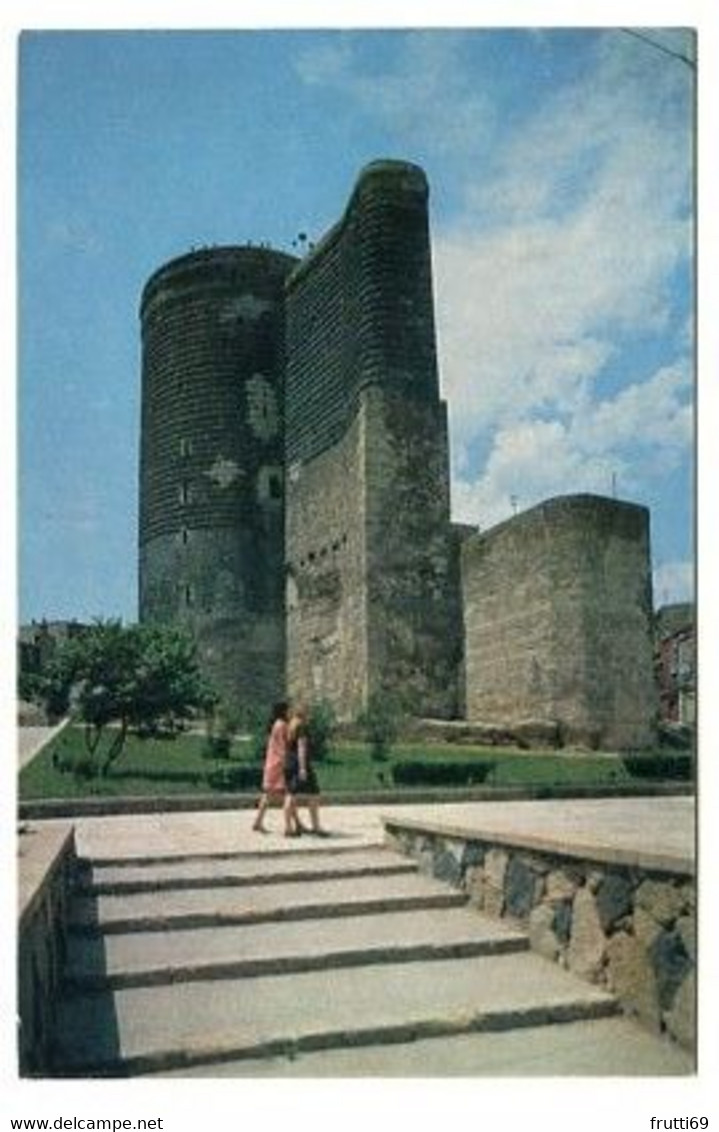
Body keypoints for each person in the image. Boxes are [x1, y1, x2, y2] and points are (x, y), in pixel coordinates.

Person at [253, 701, 301, 835]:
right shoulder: (282, 725)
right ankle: (291, 826)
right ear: (283, 711)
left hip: (272, 762)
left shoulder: (276, 724)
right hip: (279, 764)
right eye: (288, 710)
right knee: (288, 795)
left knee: (270, 794)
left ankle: (259, 822)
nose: (290, 712)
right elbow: (284, 745)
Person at [283, 705, 328, 837]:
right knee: (314, 794)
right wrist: (303, 768)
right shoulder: (301, 727)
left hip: (288, 763)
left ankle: (288, 827)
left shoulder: (290, 726)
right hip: (299, 763)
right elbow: (301, 747)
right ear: (304, 714)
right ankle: (316, 826)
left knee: (290, 794)